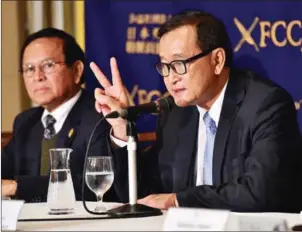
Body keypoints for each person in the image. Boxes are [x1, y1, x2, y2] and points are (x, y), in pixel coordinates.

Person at [91, 10, 302, 212]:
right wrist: (121, 126)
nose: (171, 78)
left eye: (179, 63)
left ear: (217, 60)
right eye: (165, 66)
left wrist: (178, 200)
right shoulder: (175, 113)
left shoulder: (265, 105)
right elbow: (145, 196)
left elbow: (260, 192)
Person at [1, 28, 118, 203]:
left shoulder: (100, 115)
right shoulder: (26, 122)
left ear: (77, 70)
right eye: (29, 69)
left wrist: (16, 187)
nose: (37, 77)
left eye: (48, 65)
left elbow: (95, 187)